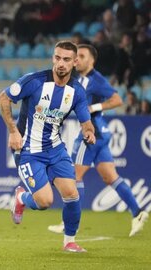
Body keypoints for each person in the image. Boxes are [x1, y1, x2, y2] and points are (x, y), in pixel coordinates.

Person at [0, 41, 96, 253]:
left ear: (75, 62)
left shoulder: (76, 92)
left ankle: (69, 241)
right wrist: (13, 131)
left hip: (56, 149)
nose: (61, 63)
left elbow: (86, 121)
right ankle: (21, 197)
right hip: (29, 151)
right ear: (53, 58)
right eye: (57, 58)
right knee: (44, 202)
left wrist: (89, 131)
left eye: (66, 59)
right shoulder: (34, 81)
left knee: (71, 193)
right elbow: (3, 98)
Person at [48, 44, 149, 236]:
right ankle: (137, 213)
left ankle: (68, 224)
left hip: (91, 134)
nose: (77, 60)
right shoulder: (78, 78)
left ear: (92, 60)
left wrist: (94, 108)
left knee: (73, 176)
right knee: (110, 176)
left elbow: (117, 100)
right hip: (102, 132)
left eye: (82, 56)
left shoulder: (96, 79)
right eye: (76, 56)